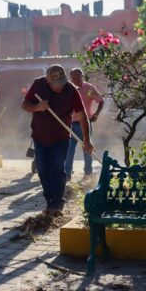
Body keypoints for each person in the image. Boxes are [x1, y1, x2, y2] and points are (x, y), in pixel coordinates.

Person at [22, 64, 93, 214]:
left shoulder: (71, 90)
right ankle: (50, 199)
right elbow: (25, 104)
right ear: (48, 81)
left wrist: (87, 140)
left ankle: (57, 202)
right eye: (56, 84)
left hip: (61, 137)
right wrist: (37, 107)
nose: (60, 87)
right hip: (40, 136)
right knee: (42, 169)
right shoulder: (38, 85)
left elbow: (82, 116)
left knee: (57, 167)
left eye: (62, 82)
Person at [64, 68, 104, 180]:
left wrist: (96, 114)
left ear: (82, 76)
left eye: (78, 77)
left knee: (87, 148)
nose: (76, 80)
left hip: (84, 124)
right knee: (69, 149)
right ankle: (67, 173)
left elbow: (100, 101)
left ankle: (88, 173)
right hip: (70, 124)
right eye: (73, 78)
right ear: (71, 78)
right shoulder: (68, 89)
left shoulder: (89, 89)